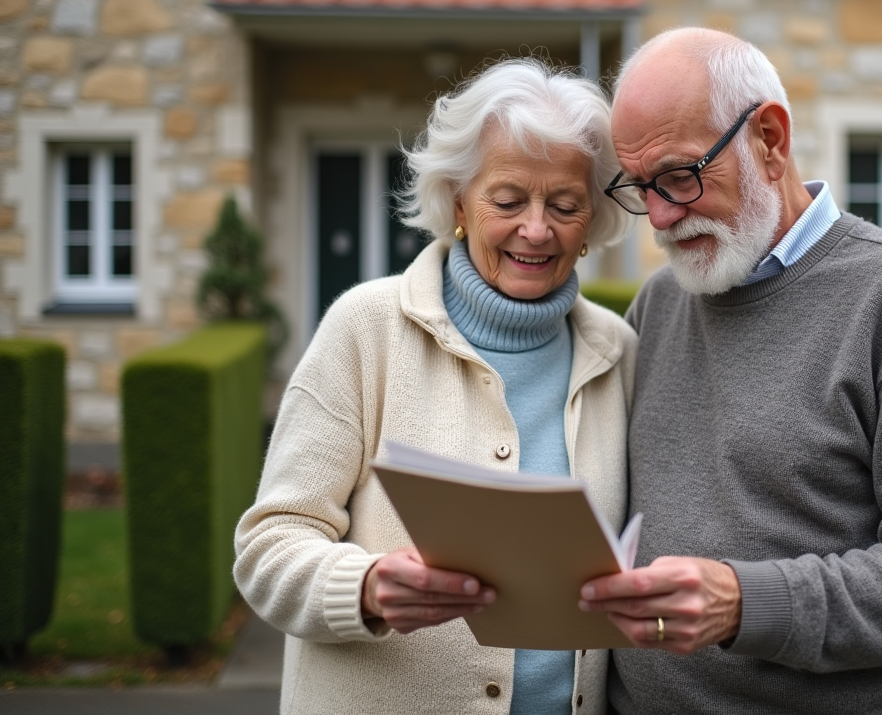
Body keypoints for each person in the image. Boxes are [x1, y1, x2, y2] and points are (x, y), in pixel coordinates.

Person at [578, 27, 882, 714]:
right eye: (640, 188)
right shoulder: (658, 303)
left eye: (680, 176)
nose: (659, 216)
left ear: (770, 140)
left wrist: (745, 603)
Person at [234, 58, 636, 715]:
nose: (536, 229)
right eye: (507, 201)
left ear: (591, 217)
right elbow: (268, 546)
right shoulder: (367, 328)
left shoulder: (618, 352)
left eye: (564, 204)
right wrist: (365, 587)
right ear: (456, 201)